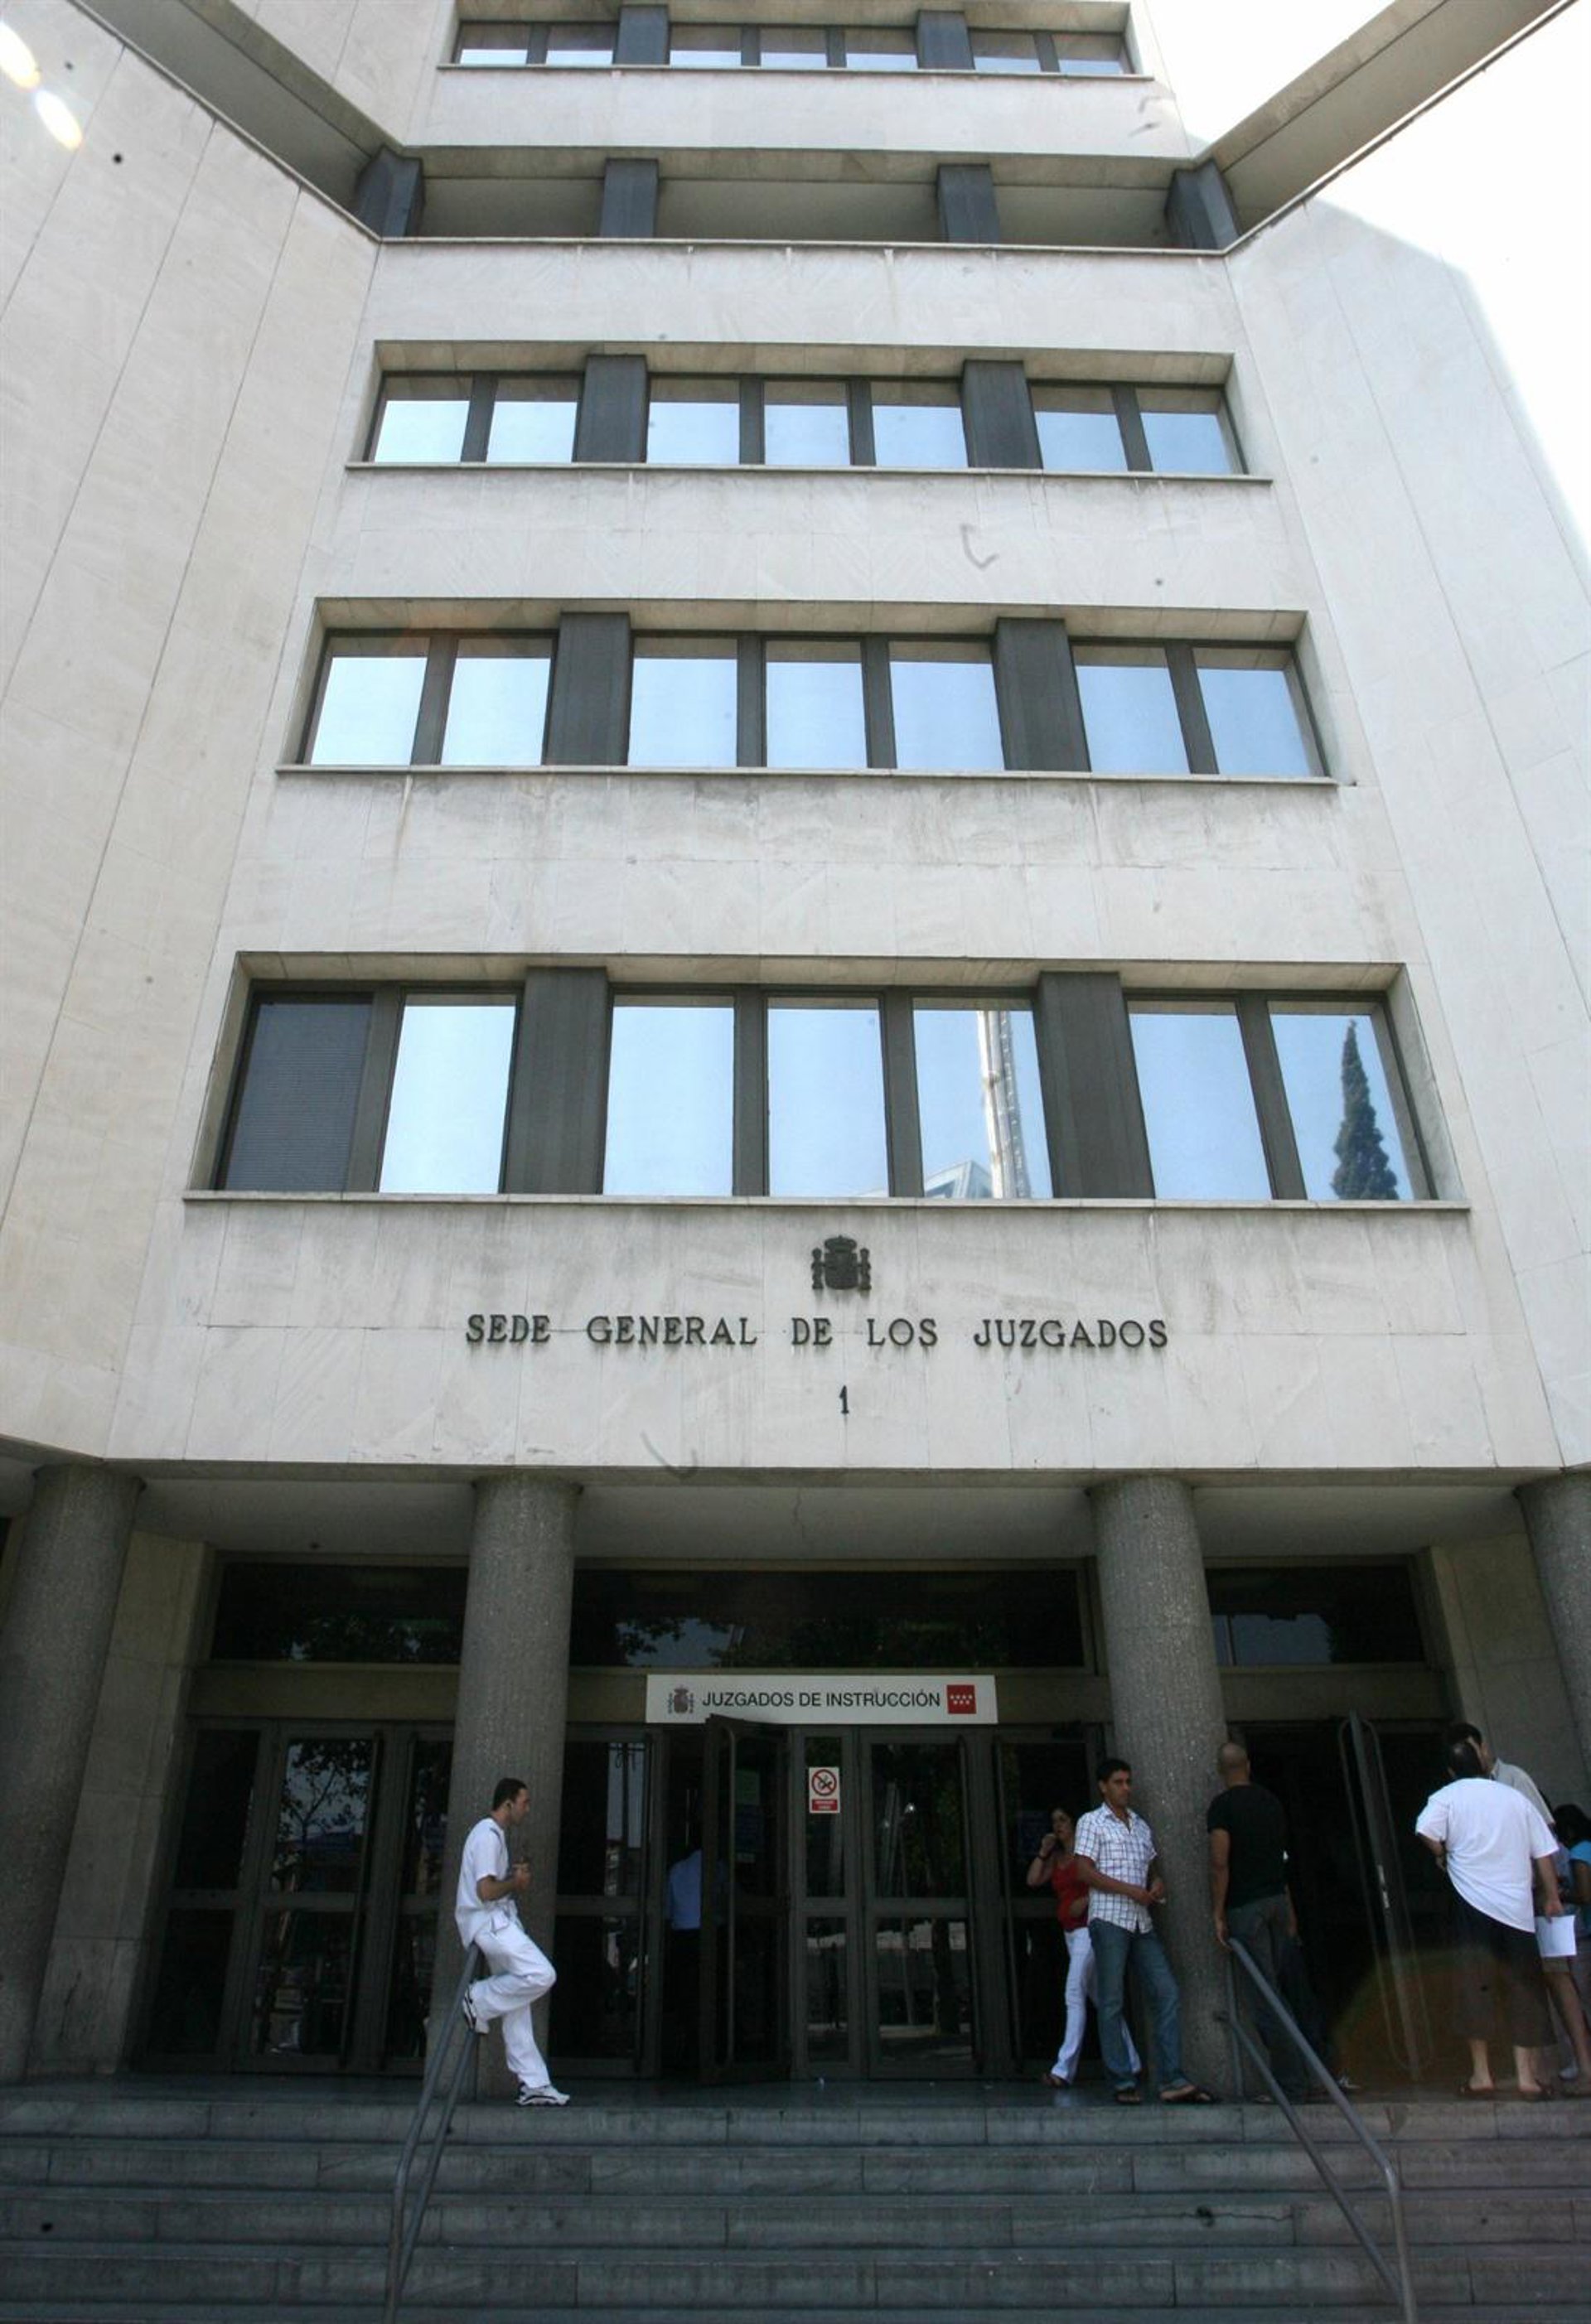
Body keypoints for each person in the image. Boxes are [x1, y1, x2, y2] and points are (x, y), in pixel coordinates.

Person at [1415, 1734, 1560, 2099]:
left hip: (1472, 1904)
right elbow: (1544, 1851)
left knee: (1474, 1988)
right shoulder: (1513, 1798)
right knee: (1523, 1988)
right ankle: (1527, 2078)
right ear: (1481, 1764)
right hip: (1517, 1910)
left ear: (1450, 1771)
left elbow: (1425, 1829)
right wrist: (1553, 1897)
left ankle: (1482, 2075)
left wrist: (1442, 1852)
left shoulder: (1446, 1797)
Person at [1074, 1759, 1215, 2106]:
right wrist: (1129, 1890)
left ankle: (1171, 2077)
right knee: (1111, 2000)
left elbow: (1151, 1868)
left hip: (1141, 1921)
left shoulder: (1139, 1825)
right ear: (1103, 1786)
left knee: (1167, 1991)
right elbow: (1084, 1871)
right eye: (1118, 1782)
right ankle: (1121, 2079)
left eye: (1128, 1781)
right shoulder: (1092, 1822)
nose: (1126, 1788)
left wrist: (1155, 1884)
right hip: (1110, 1919)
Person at [1206, 1741, 1313, 2103]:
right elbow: (1281, 1858)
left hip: (1246, 1906)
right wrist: (1290, 1908)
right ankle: (1308, 2070)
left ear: (1221, 1771)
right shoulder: (1271, 1802)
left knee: (1266, 1997)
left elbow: (1220, 1862)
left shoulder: (1222, 1807)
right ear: (1248, 1765)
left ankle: (1291, 2083)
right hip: (1277, 1901)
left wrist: (1218, 1912)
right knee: (1281, 1989)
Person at [457, 1776, 570, 2106]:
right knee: (542, 1974)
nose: (527, 1808)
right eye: (524, 1802)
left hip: (496, 1922)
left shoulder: (494, 1836)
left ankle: (534, 2083)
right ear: (508, 1803)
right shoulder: (487, 1835)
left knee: (517, 2004)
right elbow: (485, 1890)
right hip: (489, 1923)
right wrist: (515, 1883)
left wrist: (511, 1881)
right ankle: (477, 1999)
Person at [1026, 1805, 1140, 2090]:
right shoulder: (1058, 1858)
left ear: (1075, 1823)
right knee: (1100, 1996)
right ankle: (1132, 2060)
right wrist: (1043, 1851)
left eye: (1063, 1820)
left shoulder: (1087, 1852)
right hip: (1070, 1933)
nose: (1059, 1826)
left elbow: (1108, 1878)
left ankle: (1064, 2069)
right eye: (1054, 1821)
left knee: (1073, 1992)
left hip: (1088, 1929)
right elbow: (1033, 1880)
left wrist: (1087, 1900)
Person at [1444, 1721, 1554, 1826]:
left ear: (1483, 1749)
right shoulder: (1460, 1793)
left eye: (1471, 1752)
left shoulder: (1514, 1778)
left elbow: (1544, 1825)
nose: (1467, 1759)